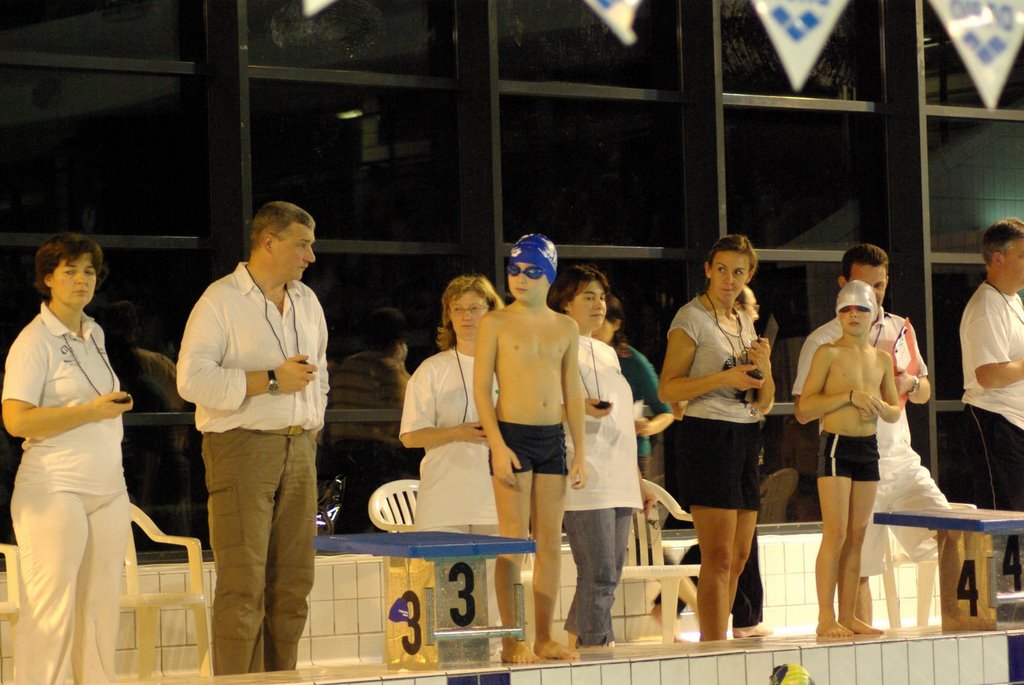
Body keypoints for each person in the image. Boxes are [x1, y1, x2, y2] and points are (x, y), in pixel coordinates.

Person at [177, 201, 328, 675]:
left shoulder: (307, 301)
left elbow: (321, 374)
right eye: (302, 245)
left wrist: (311, 428)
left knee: (294, 582)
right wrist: (271, 380)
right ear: (268, 242)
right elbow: (191, 381)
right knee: (243, 584)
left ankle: (281, 677)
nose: (310, 256)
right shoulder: (220, 300)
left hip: (299, 447)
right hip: (242, 446)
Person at [792, 243, 954, 628]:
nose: (870, 297)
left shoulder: (898, 332)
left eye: (878, 287)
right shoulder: (823, 344)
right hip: (844, 450)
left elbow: (921, 392)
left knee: (953, 534)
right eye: (862, 288)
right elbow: (803, 409)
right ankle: (842, 627)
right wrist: (848, 396)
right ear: (842, 287)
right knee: (852, 548)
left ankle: (963, 627)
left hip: (899, 461)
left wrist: (907, 384)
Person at [1, 233, 133, 684]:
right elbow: (16, 420)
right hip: (55, 486)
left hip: (108, 488)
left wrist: (108, 408)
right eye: (70, 271)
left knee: (99, 608)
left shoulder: (94, 333)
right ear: (48, 279)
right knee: (52, 611)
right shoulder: (33, 341)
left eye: (89, 271)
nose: (82, 279)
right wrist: (91, 412)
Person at [473, 234, 586, 663]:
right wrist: (497, 445)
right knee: (513, 540)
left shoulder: (566, 327)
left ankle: (544, 637)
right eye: (515, 270)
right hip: (513, 436)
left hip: (551, 438)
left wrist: (580, 451)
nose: (521, 278)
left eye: (532, 271)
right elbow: (481, 390)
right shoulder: (495, 323)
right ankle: (511, 639)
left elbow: (572, 392)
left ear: (550, 277)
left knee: (550, 544)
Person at [658, 234, 774, 642]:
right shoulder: (691, 318)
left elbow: (764, 401)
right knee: (719, 557)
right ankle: (713, 647)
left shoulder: (743, 321)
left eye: (738, 272)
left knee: (740, 556)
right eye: (721, 269)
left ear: (749, 275)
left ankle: (718, 638)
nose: (729, 279)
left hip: (745, 434)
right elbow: (668, 388)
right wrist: (724, 377)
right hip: (707, 436)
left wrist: (765, 368)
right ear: (708, 269)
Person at [547, 264, 654, 648]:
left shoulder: (606, 353)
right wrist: (577, 408)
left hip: (618, 475)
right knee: (599, 572)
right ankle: (595, 650)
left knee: (610, 573)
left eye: (601, 297)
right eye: (588, 297)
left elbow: (622, 426)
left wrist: (638, 481)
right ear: (564, 304)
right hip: (584, 473)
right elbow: (535, 408)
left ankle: (583, 644)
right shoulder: (553, 347)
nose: (599, 305)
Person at [797, 280, 900, 637]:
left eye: (861, 309)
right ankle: (825, 617)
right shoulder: (827, 353)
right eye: (846, 309)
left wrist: (879, 406)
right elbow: (804, 409)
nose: (854, 315)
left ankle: (848, 615)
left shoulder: (882, 359)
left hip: (868, 448)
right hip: (837, 446)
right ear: (838, 314)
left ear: (873, 314)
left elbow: (894, 411)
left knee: (857, 535)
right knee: (836, 533)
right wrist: (848, 396)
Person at [400, 274, 503, 532]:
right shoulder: (432, 369)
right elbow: (410, 436)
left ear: (491, 312)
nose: (466, 316)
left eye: (474, 308)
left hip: (497, 499)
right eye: (458, 309)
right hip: (442, 501)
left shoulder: (509, 367)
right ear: (449, 316)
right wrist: (457, 432)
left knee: (499, 561)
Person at [327, 306, 413, 533]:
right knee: (390, 520)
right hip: (376, 457)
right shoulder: (390, 371)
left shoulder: (348, 367)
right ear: (399, 341)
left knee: (348, 523)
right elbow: (408, 415)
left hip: (340, 455)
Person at [960, 218, 1024, 511]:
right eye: (1022, 256)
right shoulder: (987, 305)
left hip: (1013, 423)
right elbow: (989, 375)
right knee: (1004, 517)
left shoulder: (1012, 300)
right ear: (998, 258)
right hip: (995, 422)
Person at [592, 293, 674, 479]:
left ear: (616, 324)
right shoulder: (577, 354)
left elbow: (666, 412)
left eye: (602, 321)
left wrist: (649, 427)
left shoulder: (633, 361)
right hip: (591, 450)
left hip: (631, 451)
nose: (595, 327)